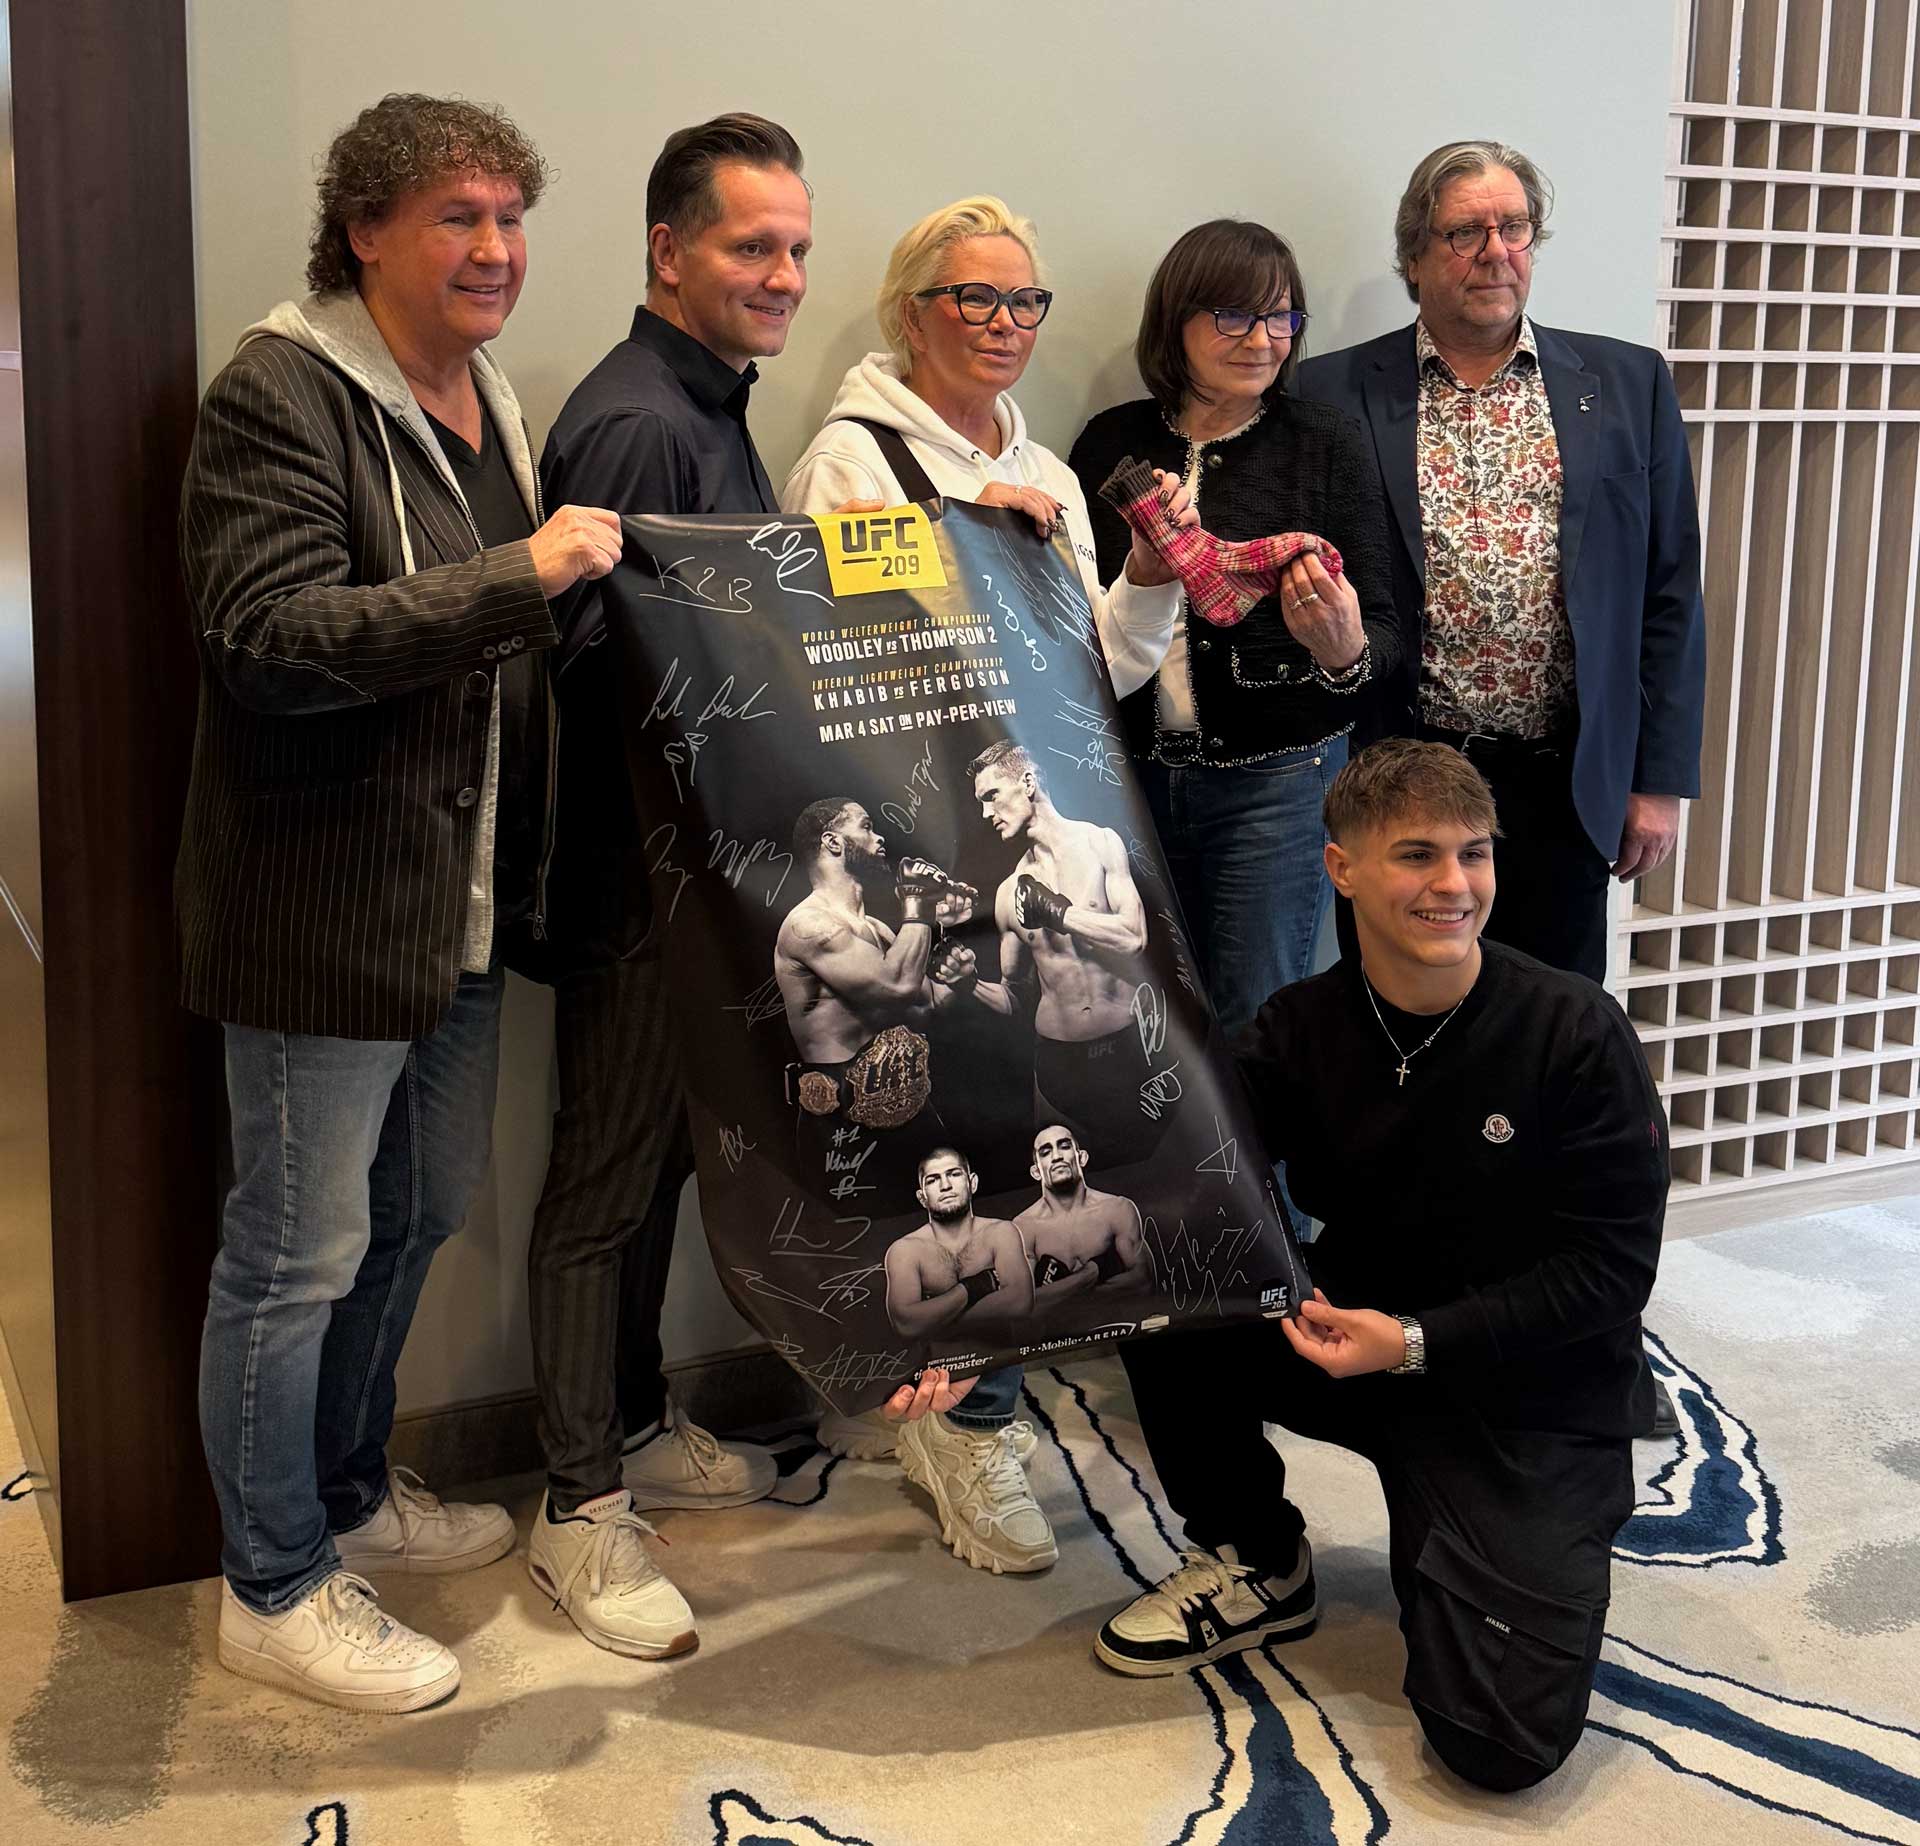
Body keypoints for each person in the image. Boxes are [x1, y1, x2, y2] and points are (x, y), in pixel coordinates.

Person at [178, 94, 625, 1712]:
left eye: (512, 215)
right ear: (363, 230)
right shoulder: (280, 389)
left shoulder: (481, 392)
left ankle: (354, 1488)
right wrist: (524, 577)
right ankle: (274, 1579)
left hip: (464, 903)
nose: (497, 248)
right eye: (458, 216)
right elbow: (269, 640)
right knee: (297, 1250)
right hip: (322, 912)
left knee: (423, 1208)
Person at [1096, 740, 1668, 1796]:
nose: (1454, 885)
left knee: (1496, 1750)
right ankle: (1258, 1553)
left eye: (1474, 853)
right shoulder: (1296, 1029)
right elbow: (1157, 1182)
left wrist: (1413, 1343)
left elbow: (1608, 1278)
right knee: (1165, 1272)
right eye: (1416, 855)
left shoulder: (1575, 1033)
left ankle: (1494, 1531)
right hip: (1351, 1342)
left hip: (1529, 1390)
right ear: (1341, 868)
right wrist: (958, 1341)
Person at [780, 194, 1193, 1499]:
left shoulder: (1051, 471)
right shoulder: (850, 460)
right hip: (920, 856)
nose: (1007, 326)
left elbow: (1098, 677)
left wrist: (1149, 573)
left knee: (1048, 1126)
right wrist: (983, 556)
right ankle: (954, 1427)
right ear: (914, 313)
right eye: (977, 300)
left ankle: (996, 1392)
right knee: (953, 1139)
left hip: (1037, 849)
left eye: (1026, 303)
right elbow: (840, 670)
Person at [523, 114, 814, 1663]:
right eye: (750, 245)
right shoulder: (640, 423)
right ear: (668, 252)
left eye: (794, 248)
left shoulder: (713, 406)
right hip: (640, 889)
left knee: (659, 1176)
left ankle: (631, 1421)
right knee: (600, 1185)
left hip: (704, 882)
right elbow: (593, 682)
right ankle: (576, 1506)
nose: (781, 275)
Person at [1294, 140, 1706, 986]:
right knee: (1404, 1016)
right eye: (1465, 233)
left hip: (1566, 777)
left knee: (1554, 1028)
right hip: (1400, 771)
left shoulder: (1627, 383)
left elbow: (1669, 591)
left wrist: (1656, 780)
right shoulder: (1330, 391)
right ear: (1414, 256)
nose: (1496, 251)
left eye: (1514, 227)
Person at [1069, 219, 1399, 1041]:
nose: (1263, 340)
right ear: (1175, 321)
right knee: (1147, 1028)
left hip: (1278, 785)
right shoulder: (1113, 442)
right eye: (1235, 317)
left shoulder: (1325, 444)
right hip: (1129, 785)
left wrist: (1344, 651)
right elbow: (1066, 620)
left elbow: (1390, 637)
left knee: (1259, 1028)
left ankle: (1268, 1181)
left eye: (1282, 318)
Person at [774, 796, 984, 1201]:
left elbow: (929, 1004)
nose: (879, 836)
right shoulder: (807, 926)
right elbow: (896, 986)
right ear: (833, 843)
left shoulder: (877, 930)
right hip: (844, 1126)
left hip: (915, 1112)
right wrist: (919, 903)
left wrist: (958, 962)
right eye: (866, 826)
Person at [966, 740, 1157, 1166]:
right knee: (1066, 1204)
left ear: (1028, 783)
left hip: (1130, 1054)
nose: (985, 813)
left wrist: (1060, 913)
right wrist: (967, 984)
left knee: (1154, 1181)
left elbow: (1134, 937)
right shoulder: (1007, 894)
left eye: (991, 796)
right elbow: (1014, 996)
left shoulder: (1100, 844)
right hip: (1058, 1068)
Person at [885, 1150, 1054, 1575]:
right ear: (920, 1194)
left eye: (954, 1174)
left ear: (972, 1181)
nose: (944, 1184)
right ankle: (944, 1424)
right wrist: (976, 1288)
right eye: (934, 1179)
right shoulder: (906, 1249)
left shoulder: (1000, 1232)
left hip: (963, 1359)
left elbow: (1018, 1301)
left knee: (973, 1103)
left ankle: (975, 1423)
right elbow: (905, 1320)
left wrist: (942, 1318)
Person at [1014, 1123, 1150, 1326]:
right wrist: (1091, 1273)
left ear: (1082, 1158)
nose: (1057, 1156)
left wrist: (1062, 1296)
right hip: (1055, 1342)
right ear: (1036, 1171)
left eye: (1064, 1146)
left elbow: (1144, 1281)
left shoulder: (1117, 1208)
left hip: (1113, 1329)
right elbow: (1022, 1306)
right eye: (1045, 1151)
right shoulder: (1023, 1227)